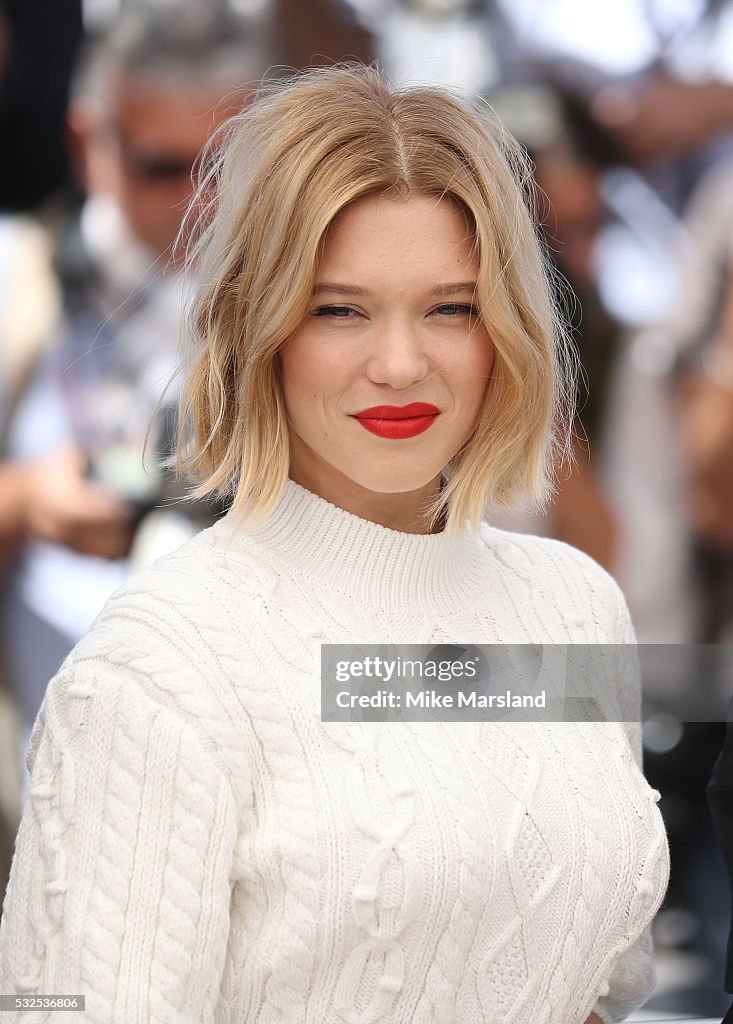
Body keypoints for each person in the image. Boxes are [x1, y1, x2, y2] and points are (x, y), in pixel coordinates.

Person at [0, 64, 669, 1023]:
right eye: (338, 309)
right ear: (256, 326)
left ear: (506, 329)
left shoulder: (573, 606)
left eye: (451, 306)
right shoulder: (159, 669)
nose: (400, 364)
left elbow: (587, 981)